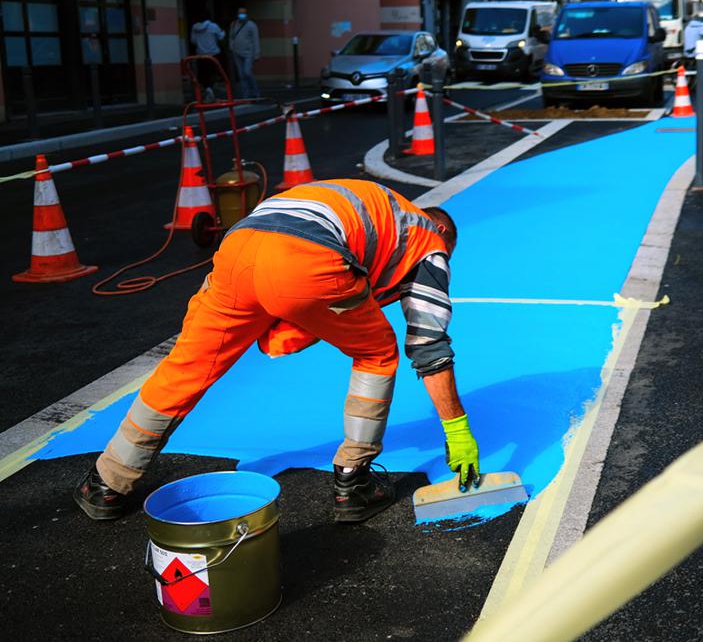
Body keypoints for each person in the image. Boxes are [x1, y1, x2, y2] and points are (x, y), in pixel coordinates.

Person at [74, 180, 479, 524]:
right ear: (445, 235)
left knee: (190, 366)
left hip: (238, 247)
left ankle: (108, 482)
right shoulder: (428, 239)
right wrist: (457, 429)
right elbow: (428, 345)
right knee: (377, 352)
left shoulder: (377, 205)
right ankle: (354, 481)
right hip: (305, 259)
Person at [190, 13, 225, 102]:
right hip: (214, 54)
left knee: (203, 75)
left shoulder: (194, 28)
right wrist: (223, 33)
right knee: (213, 73)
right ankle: (211, 90)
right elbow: (220, 37)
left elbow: (193, 41)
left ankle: (207, 90)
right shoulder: (213, 26)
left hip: (201, 54)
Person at [229, 6, 261, 99]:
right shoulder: (233, 24)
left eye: (243, 13)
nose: (241, 15)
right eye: (240, 13)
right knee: (241, 75)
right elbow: (231, 37)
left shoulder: (251, 25)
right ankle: (246, 95)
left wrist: (257, 53)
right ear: (237, 14)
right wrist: (231, 47)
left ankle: (255, 91)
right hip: (237, 53)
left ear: (246, 14)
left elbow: (256, 39)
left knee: (247, 72)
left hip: (248, 52)